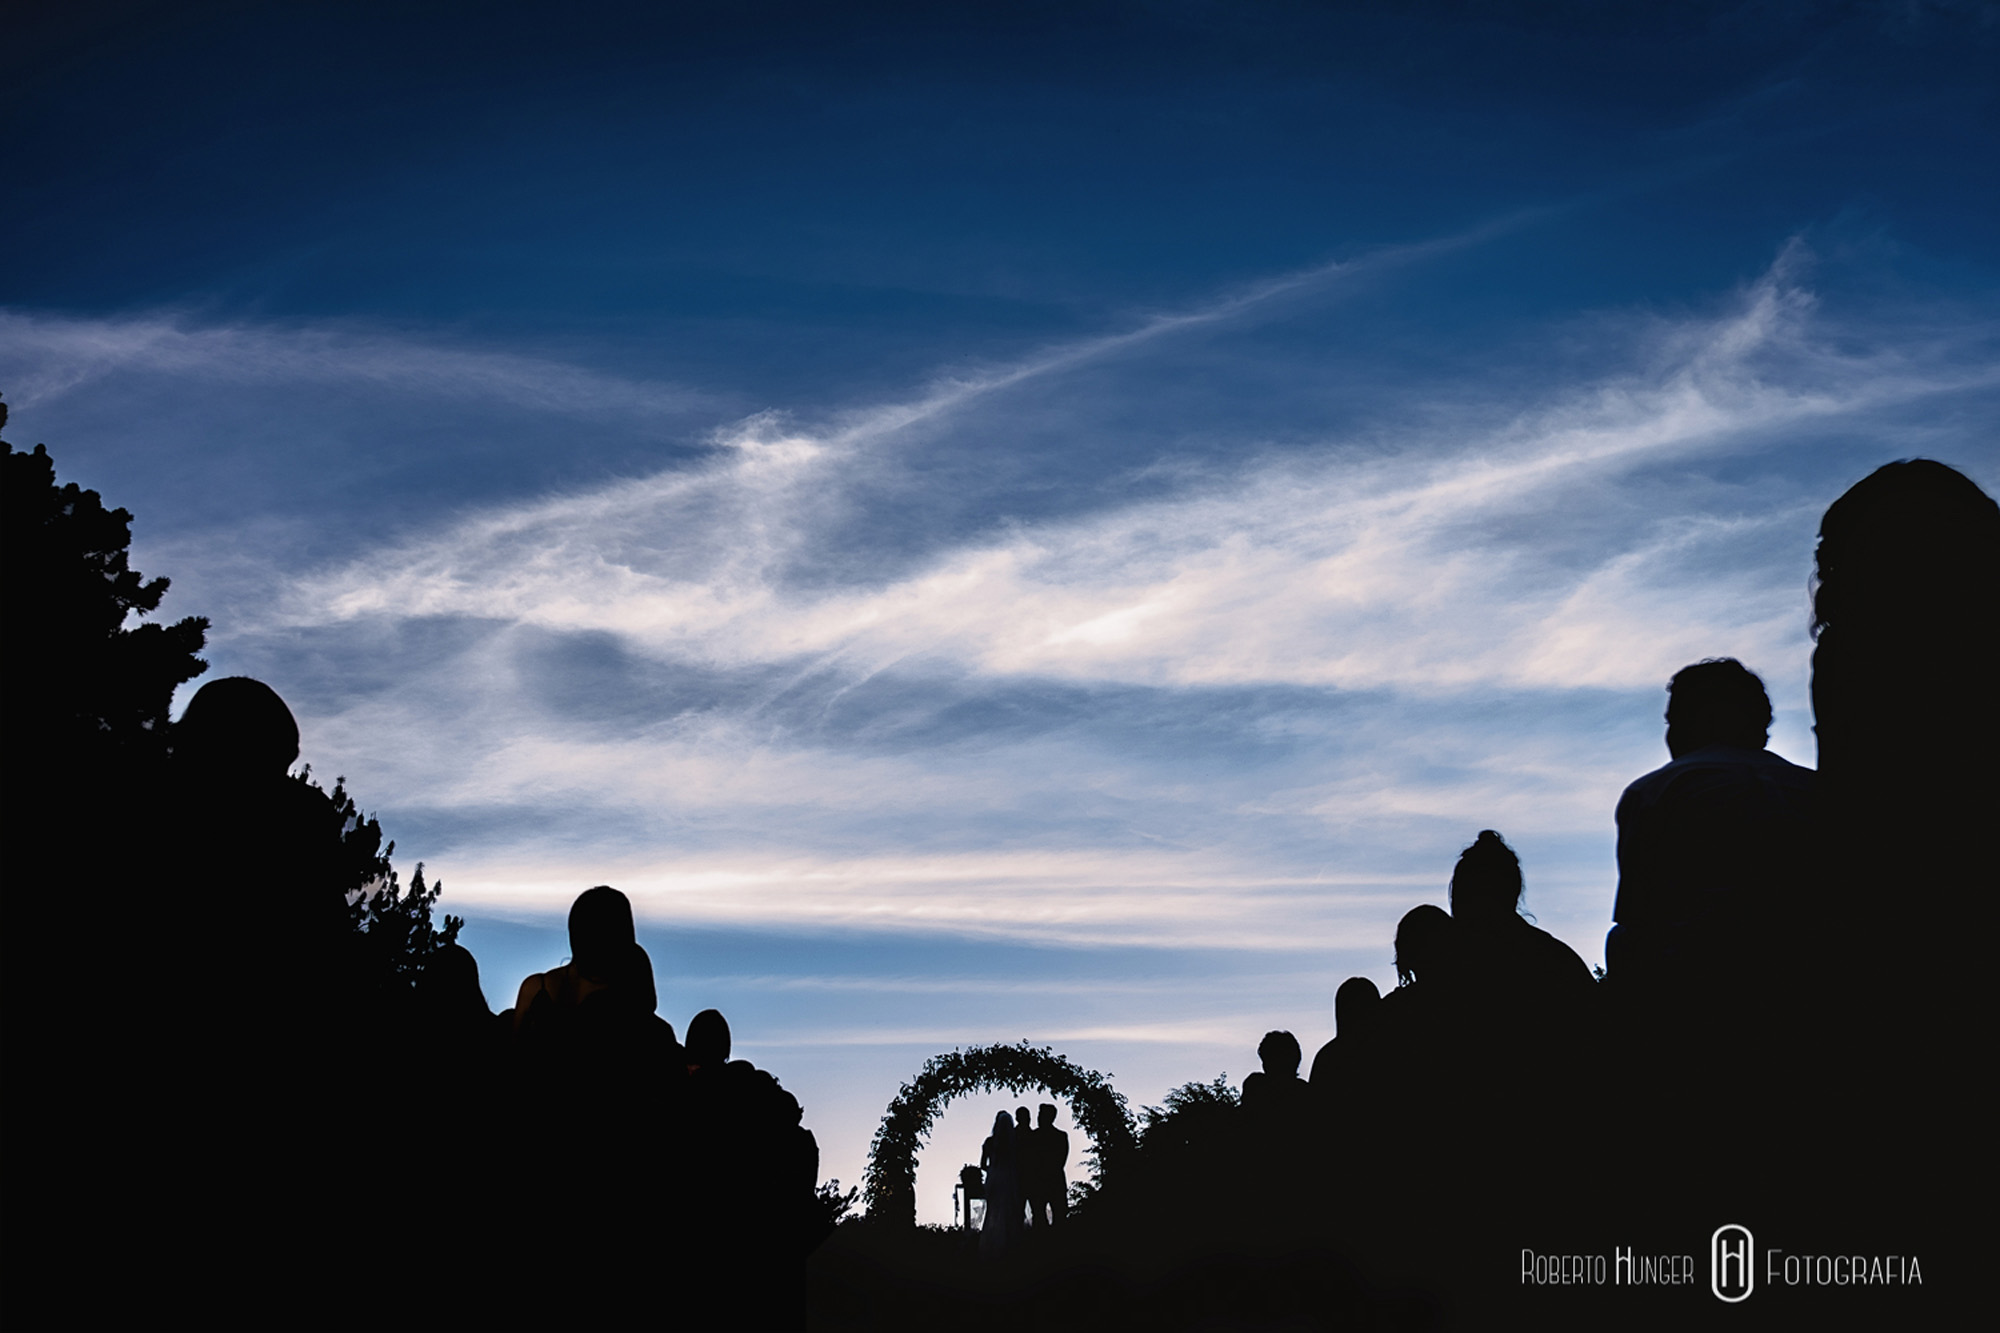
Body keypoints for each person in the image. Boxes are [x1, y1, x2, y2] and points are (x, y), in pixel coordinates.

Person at [1609, 660, 1813, 1003]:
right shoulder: (1813, 788)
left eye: (1671, 721)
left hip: (1700, 984)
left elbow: (1639, 915)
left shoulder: (1657, 791)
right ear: (1762, 725)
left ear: (1689, 725)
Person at [979, 1111, 1019, 1259]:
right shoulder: (1014, 1142)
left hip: (994, 1179)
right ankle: (1009, 1245)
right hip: (1009, 1178)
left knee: (994, 1211)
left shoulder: (989, 1142)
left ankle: (992, 1244)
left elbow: (983, 1165)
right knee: (1009, 1211)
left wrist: (993, 1170)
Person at [1025, 1104, 1068, 1230]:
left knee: (1043, 1217)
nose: (1038, 1118)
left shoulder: (1033, 1137)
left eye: (1040, 1115)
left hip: (1041, 1181)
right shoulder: (1060, 1136)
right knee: (1050, 1216)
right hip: (1052, 1180)